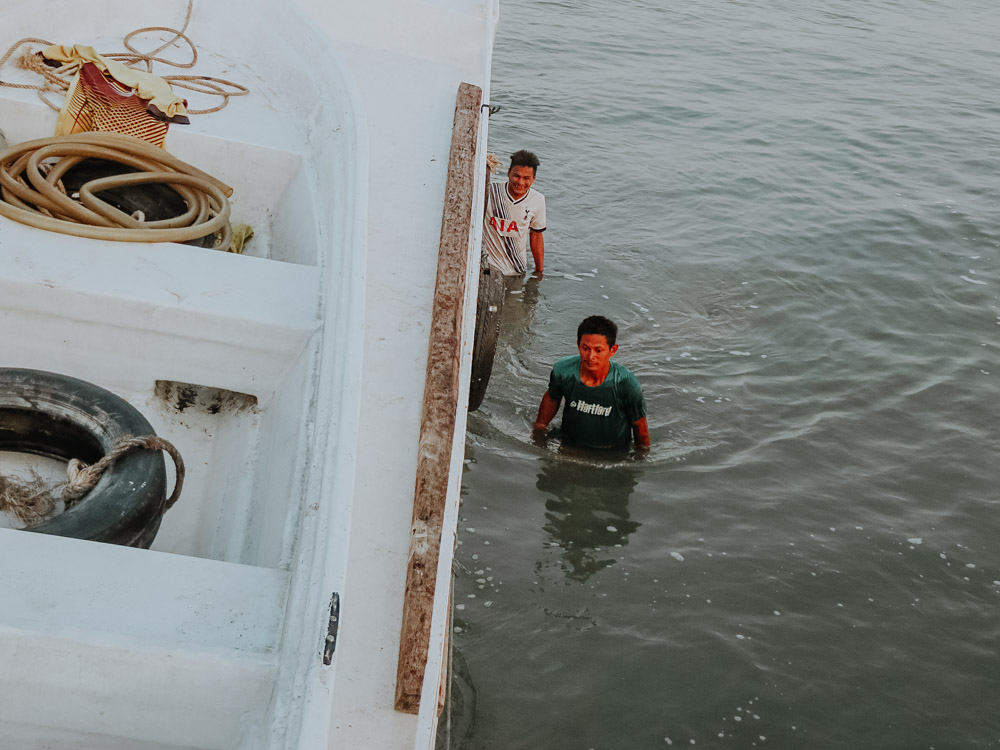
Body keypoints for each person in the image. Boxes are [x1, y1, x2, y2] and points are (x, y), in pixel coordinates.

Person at [533, 316, 650, 450]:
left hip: (613, 451)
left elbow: (640, 428)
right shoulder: (563, 371)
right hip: (569, 443)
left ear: (613, 350)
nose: (590, 357)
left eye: (598, 350)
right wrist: (539, 430)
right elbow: (552, 398)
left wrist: (640, 457)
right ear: (578, 345)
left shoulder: (626, 383)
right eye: (585, 348)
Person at [484, 149, 546, 276]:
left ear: (534, 178)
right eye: (516, 176)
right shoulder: (489, 192)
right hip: (487, 268)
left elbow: (536, 236)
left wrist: (539, 272)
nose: (520, 182)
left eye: (526, 178)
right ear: (508, 173)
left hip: (516, 270)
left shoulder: (538, 200)